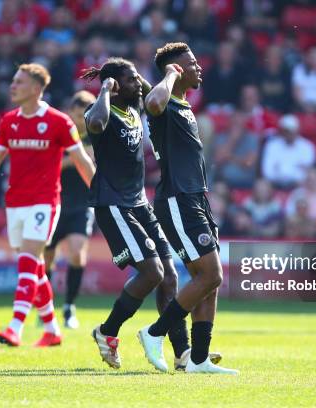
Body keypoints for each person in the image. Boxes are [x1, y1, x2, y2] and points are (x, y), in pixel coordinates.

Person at [81, 58, 214, 371]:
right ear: (114, 86)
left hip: (139, 202)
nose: (135, 84)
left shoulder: (133, 110)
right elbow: (95, 125)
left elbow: (148, 91)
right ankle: (107, 331)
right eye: (127, 81)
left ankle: (182, 354)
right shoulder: (102, 111)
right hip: (112, 203)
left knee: (169, 276)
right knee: (152, 272)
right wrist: (104, 88)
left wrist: (140, 76)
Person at [0, 63, 95, 347]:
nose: (12, 86)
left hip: (45, 202)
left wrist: (100, 192)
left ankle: (15, 327)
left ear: (36, 89)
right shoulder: (9, 121)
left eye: (19, 82)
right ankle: (51, 330)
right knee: (34, 267)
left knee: (27, 263)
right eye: (13, 81)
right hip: (16, 202)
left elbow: (83, 161)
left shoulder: (60, 122)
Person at [138, 42, 238, 374]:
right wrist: (168, 74)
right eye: (191, 63)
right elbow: (151, 101)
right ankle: (154, 333)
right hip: (178, 200)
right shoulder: (163, 103)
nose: (199, 67)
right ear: (176, 69)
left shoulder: (182, 105)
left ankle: (199, 359)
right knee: (212, 274)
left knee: (207, 280)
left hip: (196, 198)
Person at [43, 90, 96, 330]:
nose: (79, 120)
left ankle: (69, 307)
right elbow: (49, 165)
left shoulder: (98, 137)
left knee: (76, 253)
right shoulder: (59, 135)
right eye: (75, 115)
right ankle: (47, 308)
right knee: (47, 258)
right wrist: (79, 157)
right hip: (54, 201)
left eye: (84, 115)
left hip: (82, 204)